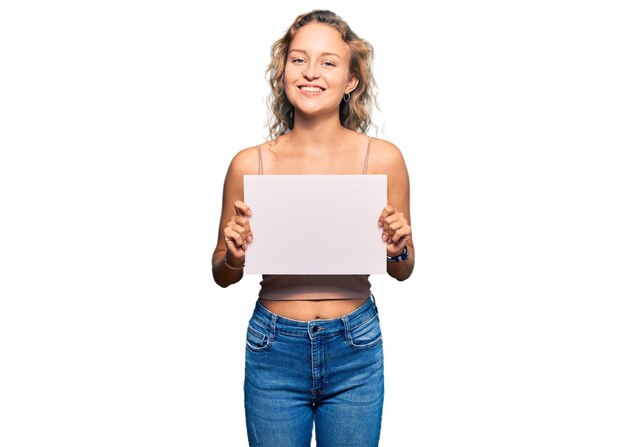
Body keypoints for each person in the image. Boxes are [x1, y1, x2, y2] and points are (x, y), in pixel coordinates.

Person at [211, 9, 414, 447]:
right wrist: (234, 255)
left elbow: (402, 268)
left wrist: (398, 247)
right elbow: (221, 273)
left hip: (355, 346)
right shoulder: (250, 163)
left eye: (328, 62)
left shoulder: (382, 159)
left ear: (351, 80)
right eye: (299, 59)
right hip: (273, 348)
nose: (311, 73)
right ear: (283, 71)